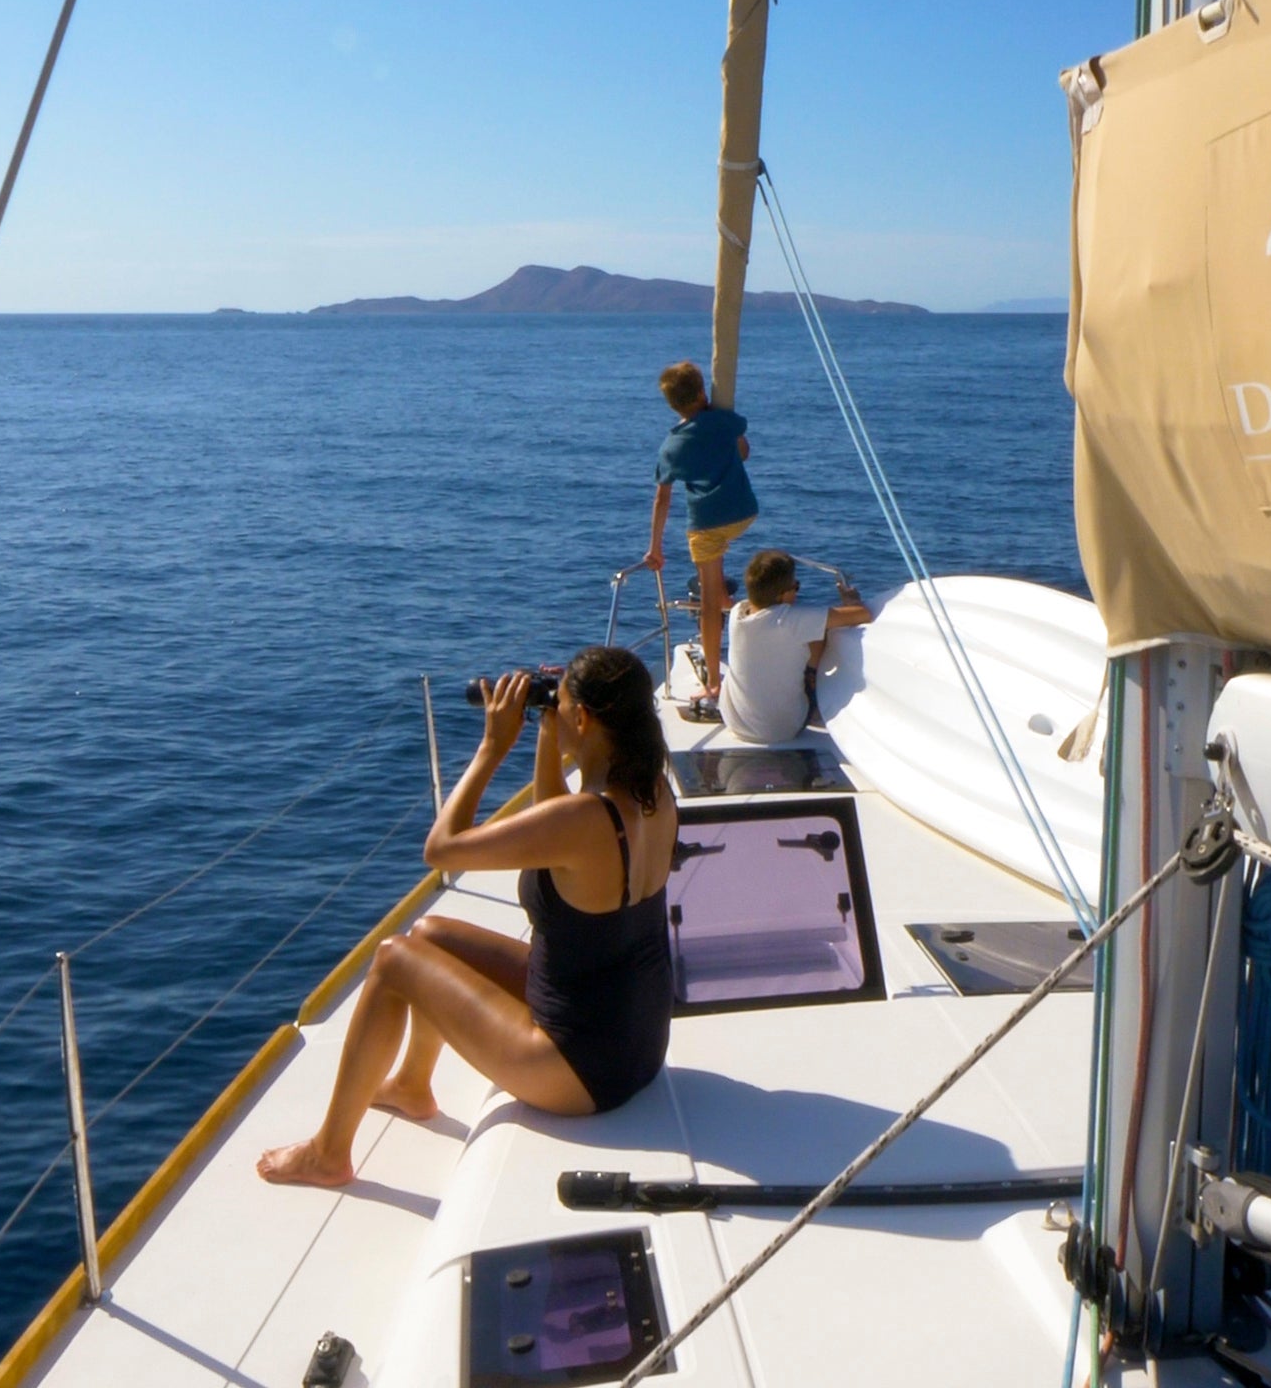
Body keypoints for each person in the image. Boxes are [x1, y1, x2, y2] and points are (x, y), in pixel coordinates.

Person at [258, 648, 677, 1188]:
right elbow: (557, 828)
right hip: (636, 1043)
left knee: (393, 960)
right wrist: (547, 734)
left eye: (562, 706)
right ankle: (412, 1083)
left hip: (580, 1069)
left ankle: (328, 1154)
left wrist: (491, 747)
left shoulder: (584, 818)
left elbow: (442, 848)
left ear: (583, 719)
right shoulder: (652, 795)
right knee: (431, 934)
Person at [643, 360, 756, 714]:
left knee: (707, 601)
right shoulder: (723, 420)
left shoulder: (671, 448)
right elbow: (744, 452)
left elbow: (663, 499)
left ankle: (713, 683)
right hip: (743, 512)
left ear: (672, 405)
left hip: (707, 524)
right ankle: (739, 611)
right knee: (719, 590)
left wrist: (655, 547)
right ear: (702, 392)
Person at [719, 550, 873, 745]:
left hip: (734, 722)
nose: (797, 591)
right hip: (778, 730)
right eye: (796, 586)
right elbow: (862, 614)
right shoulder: (791, 621)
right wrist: (852, 601)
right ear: (782, 595)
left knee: (813, 627)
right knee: (820, 632)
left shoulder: (737, 613)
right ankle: (812, 680)